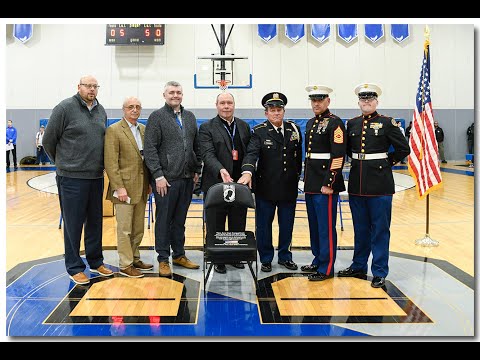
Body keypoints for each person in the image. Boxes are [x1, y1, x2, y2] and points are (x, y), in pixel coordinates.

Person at [337, 83, 410, 288]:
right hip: (357, 184)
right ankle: (359, 265)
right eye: (363, 99)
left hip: (380, 185)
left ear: (376, 101)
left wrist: (385, 163)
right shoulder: (351, 124)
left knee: (380, 230)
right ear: (358, 102)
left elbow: (404, 148)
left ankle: (379, 271)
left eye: (370, 99)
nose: (366, 102)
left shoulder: (387, 123)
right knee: (360, 229)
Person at [43, 75, 113, 285]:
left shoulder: (101, 111)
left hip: (95, 177)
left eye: (95, 86)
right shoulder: (64, 108)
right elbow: (48, 141)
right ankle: (74, 266)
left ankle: (95, 261)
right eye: (88, 86)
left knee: (95, 222)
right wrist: (63, 163)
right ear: (79, 87)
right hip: (71, 178)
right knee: (73, 224)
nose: (92, 89)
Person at [238, 92, 302, 272]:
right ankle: (266, 258)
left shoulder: (294, 130)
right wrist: (248, 171)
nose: (276, 113)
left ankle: (285, 256)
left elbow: (297, 159)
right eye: (272, 110)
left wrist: (296, 177)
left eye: (279, 110)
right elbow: (251, 154)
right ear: (266, 113)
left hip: (288, 188)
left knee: (287, 224)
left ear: (283, 111)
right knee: (264, 225)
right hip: (266, 188)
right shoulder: (259, 131)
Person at [144, 80, 202, 277]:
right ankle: (162, 258)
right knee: (164, 220)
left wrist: (196, 169)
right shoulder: (156, 117)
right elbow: (150, 149)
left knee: (180, 220)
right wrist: (158, 175)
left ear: (182, 95)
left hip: (186, 178)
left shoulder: (190, 117)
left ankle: (179, 254)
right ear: (164, 95)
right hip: (166, 181)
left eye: (178, 92)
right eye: (171, 92)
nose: (175, 95)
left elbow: (195, 146)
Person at [198, 92, 252, 274]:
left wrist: (247, 172)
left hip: (239, 184)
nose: (226, 106)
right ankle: (217, 258)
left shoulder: (244, 126)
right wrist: (221, 170)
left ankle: (235, 256)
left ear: (234, 105)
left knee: (238, 222)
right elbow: (207, 153)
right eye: (222, 103)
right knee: (216, 222)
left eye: (229, 102)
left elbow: (249, 153)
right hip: (215, 183)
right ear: (217, 105)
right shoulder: (207, 128)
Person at [104, 96, 153, 278]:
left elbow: (145, 160)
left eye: (138, 107)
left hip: (141, 188)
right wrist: (119, 188)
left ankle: (135, 257)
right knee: (125, 229)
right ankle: (125, 264)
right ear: (123, 109)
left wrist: (148, 183)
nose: (134, 110)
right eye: (130, 107)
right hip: (123, 189)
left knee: (138, 227)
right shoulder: (114, 130)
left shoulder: (143, 129)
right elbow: (111, 162)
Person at [301, 85, 346, 281]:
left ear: (328, 101)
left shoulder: (335, 123)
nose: (316, 103)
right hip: (311, 181)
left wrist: (330, 182)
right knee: (314, 224)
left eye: (320, 100)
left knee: (326, 226)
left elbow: (337, 156)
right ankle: (318, 259)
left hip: (325, 183)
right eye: (313, 100)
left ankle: (326, 267)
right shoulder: (311, 122)